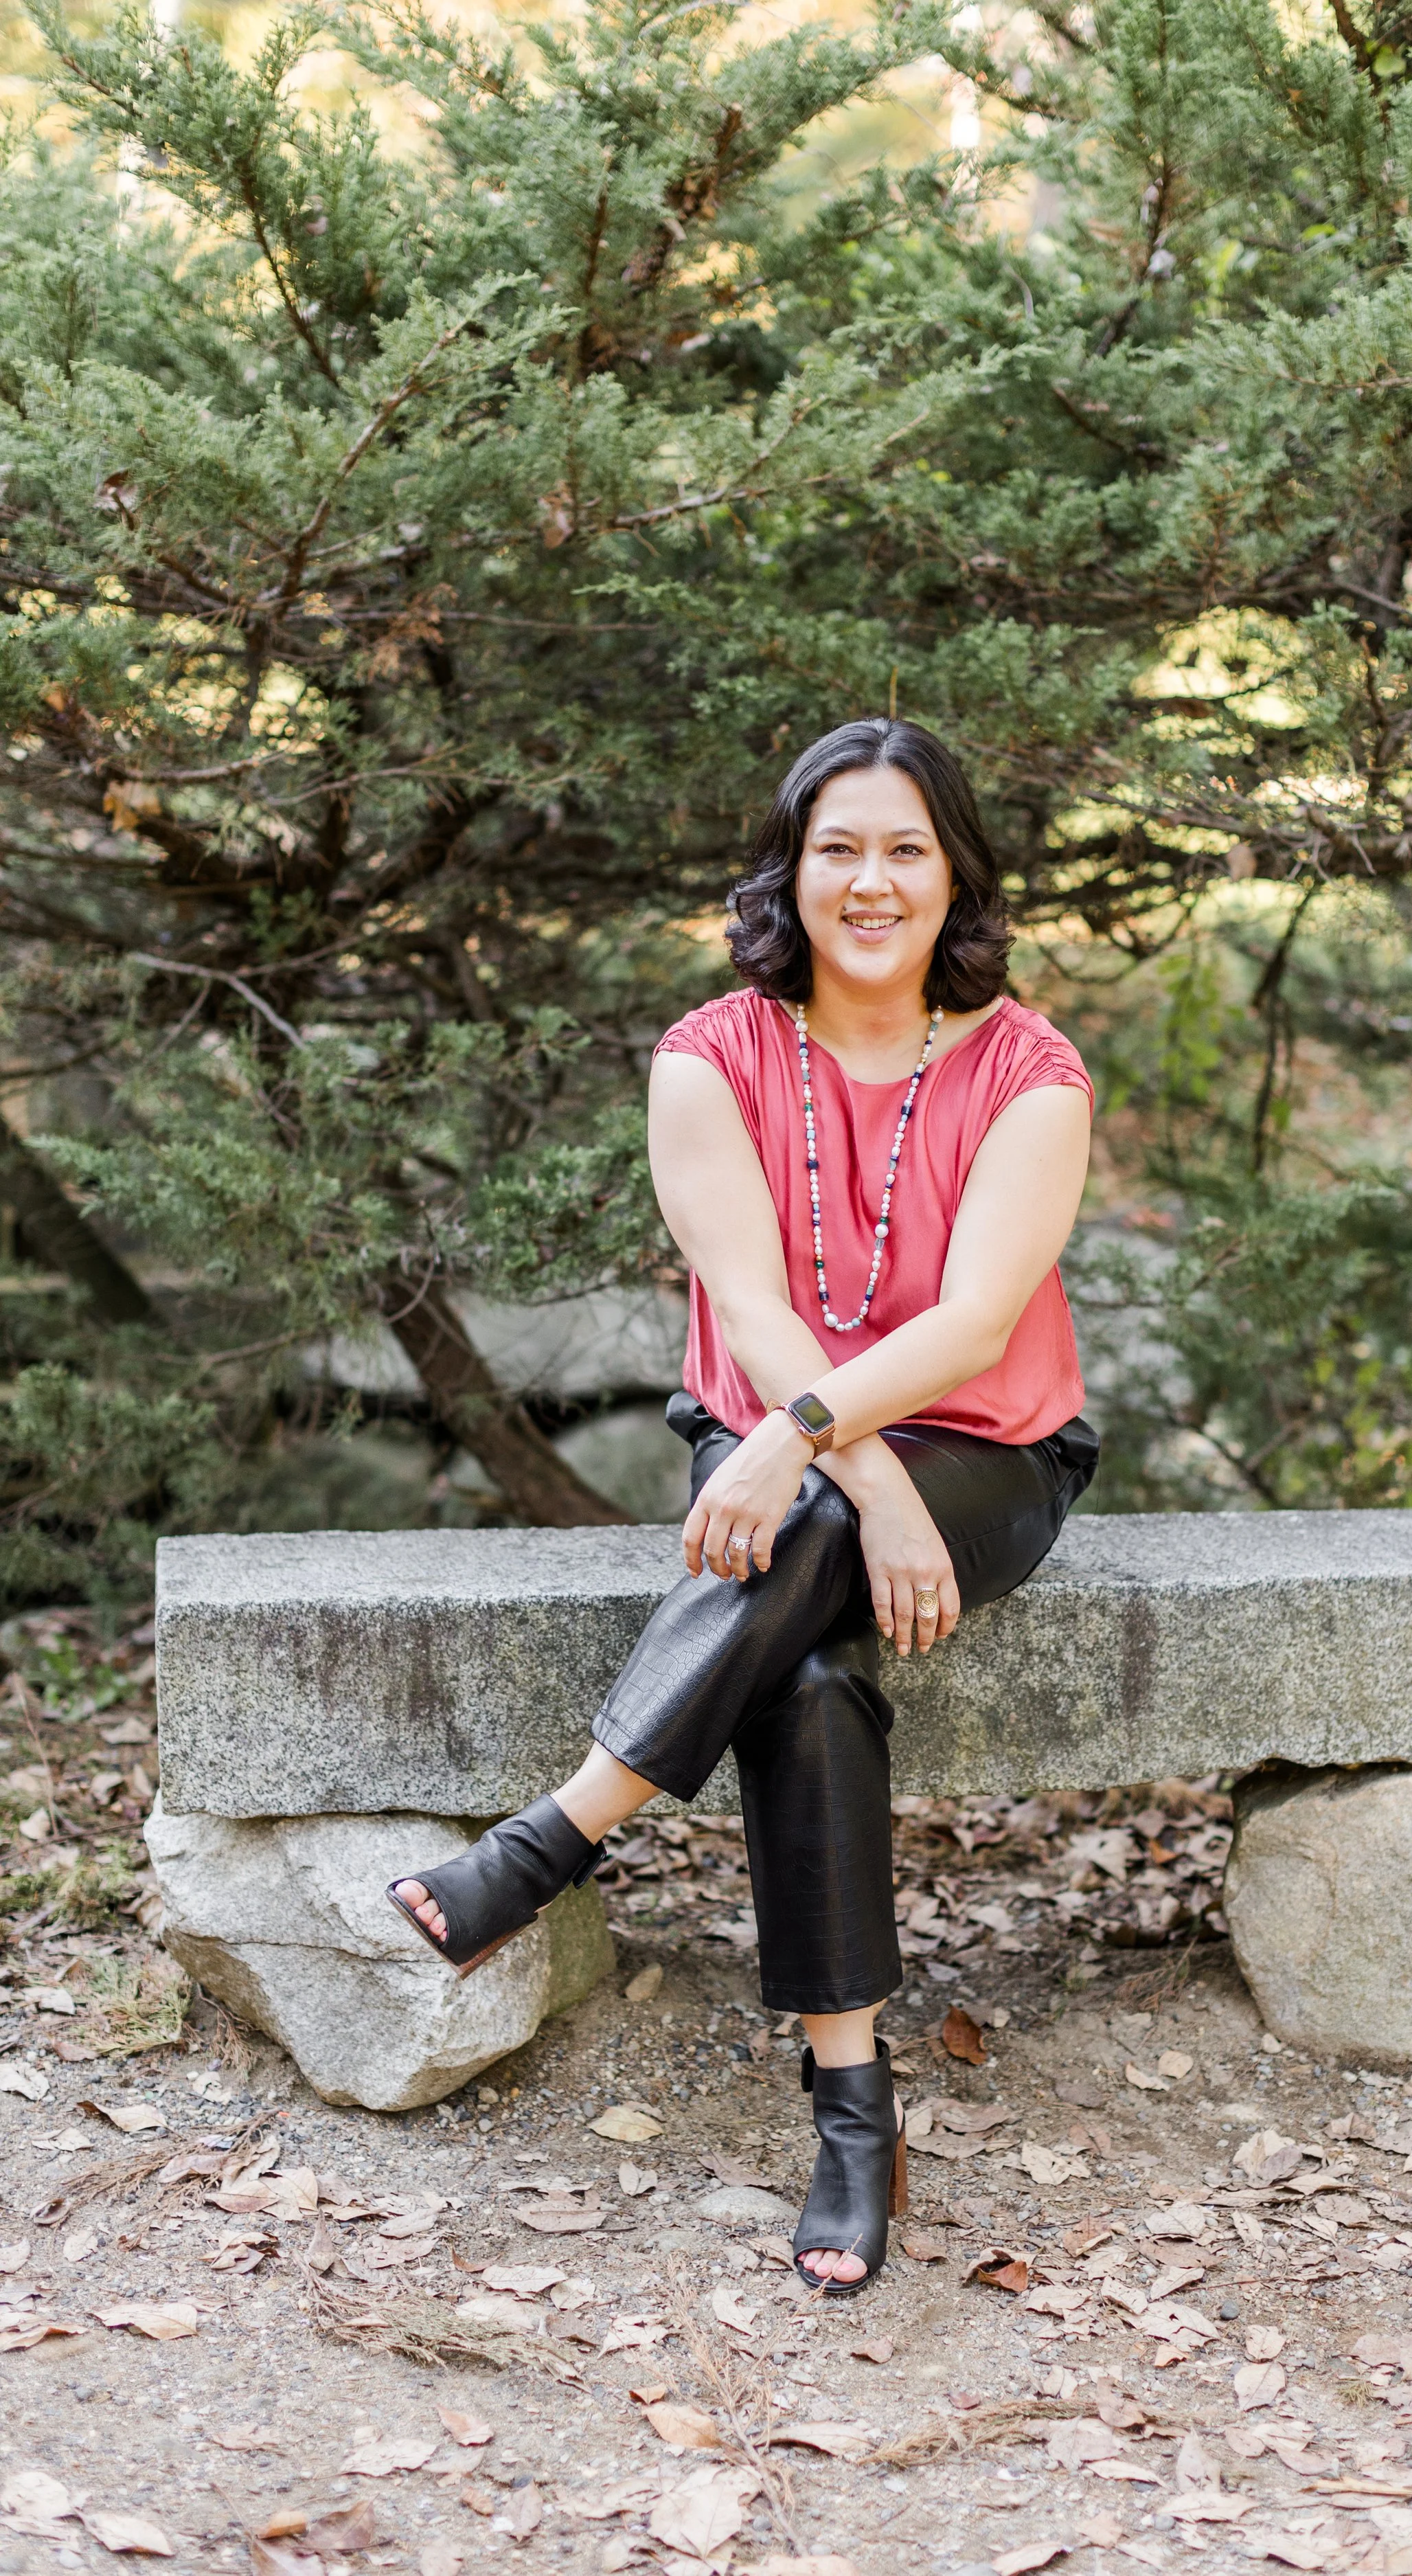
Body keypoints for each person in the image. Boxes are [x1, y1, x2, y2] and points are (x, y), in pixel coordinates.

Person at [387, 716, 1097, 2296]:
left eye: (905, 848)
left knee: (806, 1524)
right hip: (783, 1446)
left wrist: (839, 1459)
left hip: (985, 1453)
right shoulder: (710, 1056)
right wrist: (844, 1467)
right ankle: (855, 2115)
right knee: (816, 1655)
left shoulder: (1028, 1072)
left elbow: (974, 1326)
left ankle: (550, 1844)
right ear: (789, 869)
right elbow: (752, 1305)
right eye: (837, 847)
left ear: (955, 876)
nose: (870, 881)